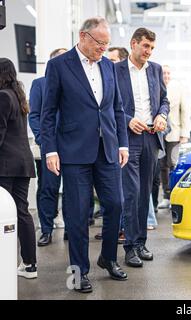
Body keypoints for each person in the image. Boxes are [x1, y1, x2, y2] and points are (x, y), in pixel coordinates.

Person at [41, 17, 129, 293]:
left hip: (107, 150)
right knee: (77, 214)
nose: (103, 49)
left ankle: (108, 257)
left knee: (115, 204)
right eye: (99, 43)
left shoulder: (108, 66)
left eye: (106, 44)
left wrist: (122, 144)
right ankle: (79, 272)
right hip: (73, 152)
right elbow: (48, 112)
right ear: (83, 36)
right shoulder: (59, 65)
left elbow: (117, 108)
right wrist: (50, 149)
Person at [116, 28, 169, 268]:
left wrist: (162, 115)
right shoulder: (116, 71)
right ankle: (129, 247)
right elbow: (110, 104)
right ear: (134, 44)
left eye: (152, 48)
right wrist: (127, 118)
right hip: (128, 138)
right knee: (131, 193)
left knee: (145, 192)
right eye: (145, 46)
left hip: (151, 136)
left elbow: (164, 101)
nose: (148, 52)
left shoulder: (156, 70)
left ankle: (140, 243)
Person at [0, 58, 37, 279]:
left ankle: (5, 262)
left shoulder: (3, 97)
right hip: (22, 162)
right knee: (21, 211)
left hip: (6, 164)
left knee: (6, 213)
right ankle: (30, 264)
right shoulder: (17, 95)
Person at [29, 48, 68, 247]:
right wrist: (43, 140)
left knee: (73, 190)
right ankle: (46, 230)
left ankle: (71, 228)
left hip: (73, 145)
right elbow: (34, 115)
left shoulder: (74, 83)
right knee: (48, 188)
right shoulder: (40, 84)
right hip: (50, 144)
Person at [94, 46, 129, 244]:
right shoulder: (101, 72)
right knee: (107, 200)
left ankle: (120, 235)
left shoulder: (112, 72)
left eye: (114, 59)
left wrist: (122, 145)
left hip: (113, 145)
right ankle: (114, 231)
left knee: (119, 199)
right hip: (90, 147)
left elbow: (119, 109)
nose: (110, 61)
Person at [157, 65, 190, 209]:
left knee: (173, 164)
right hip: (157, 132)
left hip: (174, 133)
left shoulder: (178, 88)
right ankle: (166, 196)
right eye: (164, 73)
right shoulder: (155, 86)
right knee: (162, 166)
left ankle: (176, 195)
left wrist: (184, 133)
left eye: (168, 73)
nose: (166, 75)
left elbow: (184, 111)